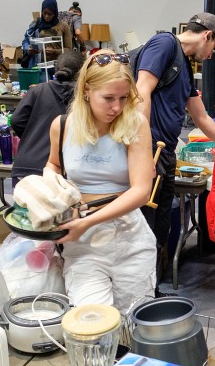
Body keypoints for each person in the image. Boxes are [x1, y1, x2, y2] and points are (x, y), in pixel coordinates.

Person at [45, 50, 157, 313]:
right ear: (86, 90)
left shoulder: (134, 124)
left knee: (132, 326)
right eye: (108, 98)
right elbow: (54, 163)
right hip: (83, 244)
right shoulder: (62, 126)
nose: (117, 107)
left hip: (128, 237)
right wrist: (49, 180)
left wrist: (86, 222)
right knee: (91, 326)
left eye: (122, 98)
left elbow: (141, 191)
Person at [133, 12, 215, 263]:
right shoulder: (164, 44)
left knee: (160, 228)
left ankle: (153, 290)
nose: (210, 56)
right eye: (213, 48)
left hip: (166, 154)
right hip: (150, 151)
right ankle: (142, 295)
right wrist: (142, 152)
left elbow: (202, 117)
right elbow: (142, 91)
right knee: (144, 227)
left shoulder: (184, 67)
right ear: (207, 35)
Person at [11, 49, 85, 182]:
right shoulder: (82, 98)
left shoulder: (37, 90)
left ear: (56, 67)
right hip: (56, 169)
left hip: (25, 165)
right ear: (83, 72)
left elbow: (16, 120)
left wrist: (32, 136)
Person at [21, 0, 73, 68]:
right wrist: (28, 49)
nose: (46, 16)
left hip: (57, 66)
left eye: (50, 14)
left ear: (55, 13)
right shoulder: (36, 23)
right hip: (39, 66)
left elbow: (69, 50)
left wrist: (55, 51)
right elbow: (26, 40)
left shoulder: (63, 26)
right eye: (44, 13)